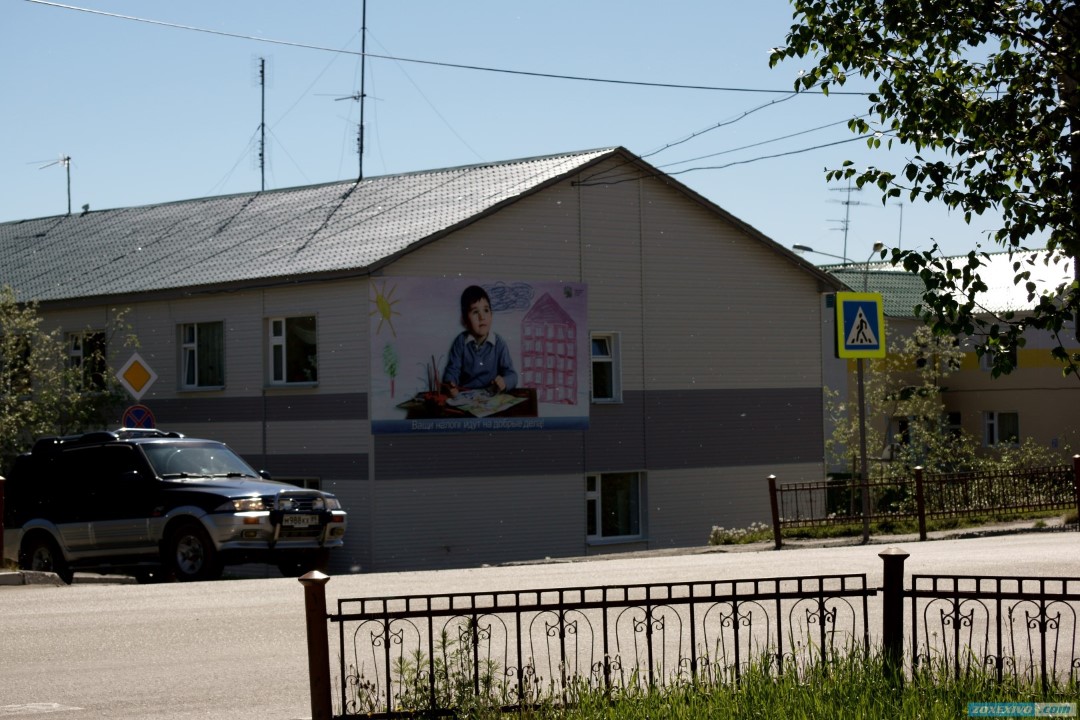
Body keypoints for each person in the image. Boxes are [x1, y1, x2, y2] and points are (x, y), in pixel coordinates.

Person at [442, 285, 518, 398]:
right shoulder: (460, 342)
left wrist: (504, 381)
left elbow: (512, 375)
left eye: (486, 310)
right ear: (465, 320)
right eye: (475, 312)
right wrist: (450, 384)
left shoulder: (499, 343)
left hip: (491, 398)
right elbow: (453, 370)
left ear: (491, 315)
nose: (482, 317)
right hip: (466, 398)